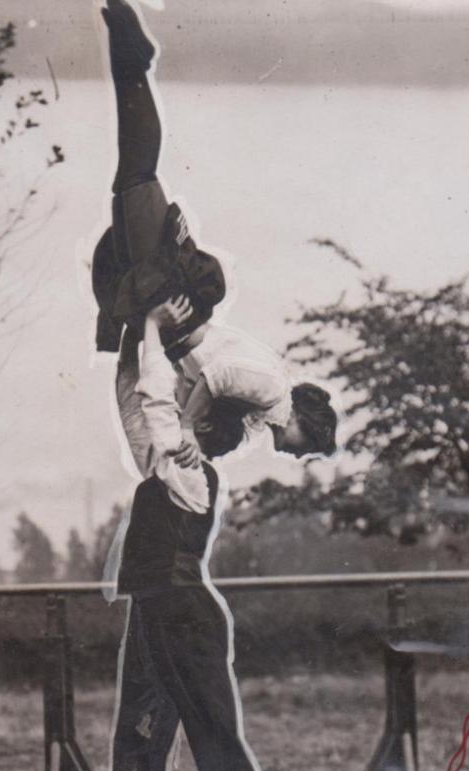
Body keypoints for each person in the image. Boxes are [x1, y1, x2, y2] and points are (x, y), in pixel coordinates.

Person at [91, 0, 337, 461]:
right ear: (306, 423)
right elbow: (216, 377)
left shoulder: (266, 404)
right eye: (308, 449)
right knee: (137, 175)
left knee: (132, 176)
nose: (298, 456)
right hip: (176, 307)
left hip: (175, 318)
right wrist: (184, 426)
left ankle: (130, 55)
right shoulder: (274, 395)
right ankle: (135, 59)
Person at [105, 296, 287, 771]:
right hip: (156, 613)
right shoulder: (164, 460)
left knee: (213, 735)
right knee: (137, 736)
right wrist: (134, 335)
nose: (182, 403)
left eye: (191, 410)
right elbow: (135, 400)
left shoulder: (186, 470)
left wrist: (155, 326)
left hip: (184, 614)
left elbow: (155, 403)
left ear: (202, 429)